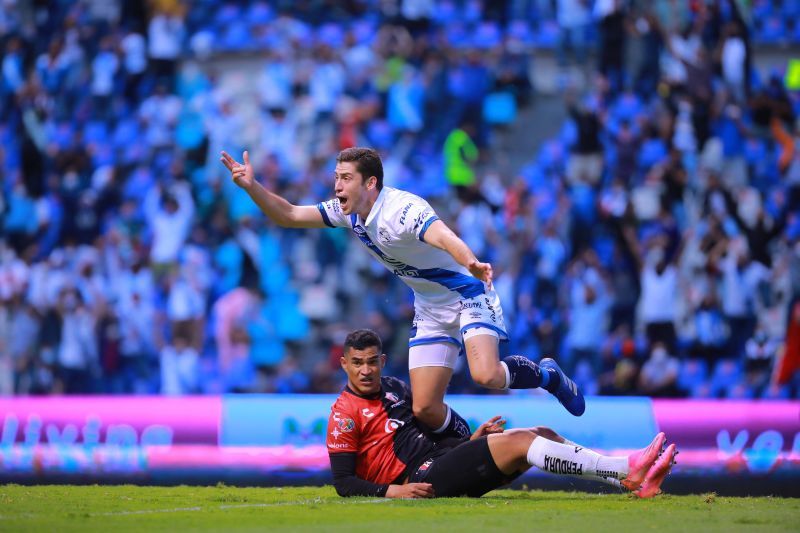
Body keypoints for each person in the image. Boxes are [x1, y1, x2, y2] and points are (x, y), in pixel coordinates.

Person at [220, 147, 585, 441]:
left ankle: (549, 376)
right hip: (429, 306)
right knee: (425, 408)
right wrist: (252, 187)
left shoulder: (402, 209)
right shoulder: (349, 212)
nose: (337, 187)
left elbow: (443, 236)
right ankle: (468, 449)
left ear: (370, 183)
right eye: (336, 178)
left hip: (467, 292)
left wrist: (471, 262)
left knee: (486, 375)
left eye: (345, 179)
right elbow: (289, 215)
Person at [326, 329, 678, 499]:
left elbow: (429, 438)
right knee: (523, 441)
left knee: (542, 432)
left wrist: (472, 441)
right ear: (344, 364)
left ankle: (631, 482)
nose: (366, 370)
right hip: (418, 481)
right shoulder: (344, 413)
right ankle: (623, 467)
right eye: (357, 363)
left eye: (372, 361)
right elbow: (343, 484)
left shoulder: (395, 387)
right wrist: (394, 492)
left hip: (439, 462)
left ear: (382, 362)